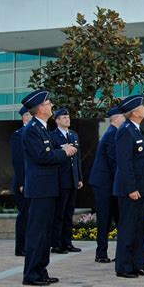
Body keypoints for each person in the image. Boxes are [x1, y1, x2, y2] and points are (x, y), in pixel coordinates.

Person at [21, 90, 77, 286]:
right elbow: (42, 157)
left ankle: (41, 270)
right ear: (41, 108)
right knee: (37, 233)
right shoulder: (32, 129)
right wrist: (65, 152)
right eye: (48, 103)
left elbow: (49, 152)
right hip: (40, 190)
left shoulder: (42, 128)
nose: (51, 105)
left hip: (49, 188)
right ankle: (31, 274)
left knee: (45, 234)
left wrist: (61, 150)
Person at [113, 95, 144, 278]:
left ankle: (138, 264)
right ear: (135, 112)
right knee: (128, 228)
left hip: (140, 188)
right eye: (142, 107)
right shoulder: (126, 130)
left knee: (138, 228)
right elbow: (125, 162)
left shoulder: (137, 130)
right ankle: (123, 267)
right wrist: (131, 188)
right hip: (130, 190)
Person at [88, 106, 125, 263]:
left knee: (117, 217)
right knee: (105, 218)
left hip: (110, 183)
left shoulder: (114, 133)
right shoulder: (112, 134)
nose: (125, 119)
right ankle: (101, 253)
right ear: (116, 119)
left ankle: (121, 253)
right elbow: (113, 161)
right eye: (123, 117)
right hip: (104, 184)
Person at [50, 108, 83, 254]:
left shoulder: (73, 135)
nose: (67, 119)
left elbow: (77, 159)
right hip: (60, 180)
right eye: (63, 117)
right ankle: (57, 244)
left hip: (72, 179)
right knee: (59, 213)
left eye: (68, 117)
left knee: (69, 213)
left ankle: (68, 242)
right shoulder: (53, 136)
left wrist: (79, 177)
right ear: (57, 120)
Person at [10, 106, 32, 257]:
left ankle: (29, 245)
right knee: (24, 214)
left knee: (31, 215)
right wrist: (23, 183)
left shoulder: (33, 133)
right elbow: (18, 161)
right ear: (25, 117)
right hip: (22, 182)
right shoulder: (18, 135)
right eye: (30, 114)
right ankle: (21, 247)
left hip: (33, 181)